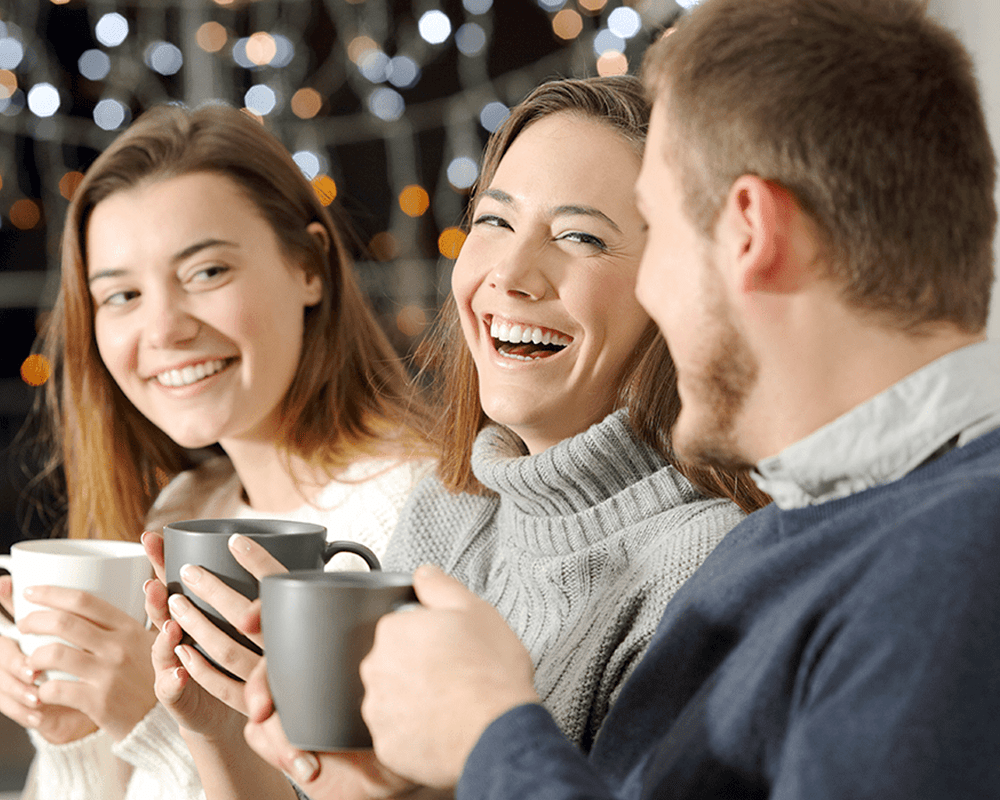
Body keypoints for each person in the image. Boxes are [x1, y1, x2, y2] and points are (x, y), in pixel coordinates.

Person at [342, 1, 1000, 798]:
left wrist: (491, 737)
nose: (650, 291)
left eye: (655, 228)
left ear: (750, 232)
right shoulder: (778, 551)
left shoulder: (955, 567)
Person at [149, 75, 769, 799]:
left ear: (678, 287)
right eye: (495, 222)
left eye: (580, 236)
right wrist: (220, 729)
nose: (509, 273)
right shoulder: (451, 512)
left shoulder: (705, 564)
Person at [0, 103, 433, 800]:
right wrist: (75, 732)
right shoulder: (183, 509)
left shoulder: (421, 515)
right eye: (122, 295)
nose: (164, 328)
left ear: (310, 268)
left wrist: (155, 721)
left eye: (205, 273)